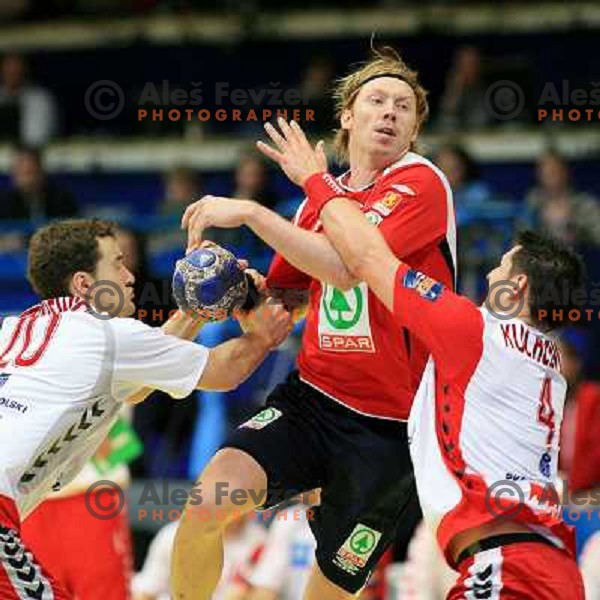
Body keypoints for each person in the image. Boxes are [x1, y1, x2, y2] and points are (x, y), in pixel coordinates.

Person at [174, 46, 456, 599]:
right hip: (313, 399)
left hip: (390, 427)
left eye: (404, 107)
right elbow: (289, 301)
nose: (390, 113)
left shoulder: (421, 184)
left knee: (325, 592)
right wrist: (239, 293)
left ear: (416, 128)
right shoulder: (314, 204)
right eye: (377, 100)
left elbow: (350, 269)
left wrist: (256, 210)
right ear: (348, 116)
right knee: (206, 505)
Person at [293, 177, 585, 597]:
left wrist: (314, 181)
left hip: (508, 567)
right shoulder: (550, 362)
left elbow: (368, 256)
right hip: (550, 567)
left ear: (516, 288)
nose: (489, 272)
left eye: (500, 265)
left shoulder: (476, 332)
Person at [0, 218, 292, 599]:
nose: (129, 275)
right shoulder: (104, 334)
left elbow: (135, 384)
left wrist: (194, 310)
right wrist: (264, 335)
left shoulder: (16, 327)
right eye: (117, 263)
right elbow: (226, 371)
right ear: (85, 284)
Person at [525, 151, 600, 247]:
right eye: (545, 172)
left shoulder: (585, 205)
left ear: (565, 171)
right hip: (542, 259)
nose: (550, 175)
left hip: (580, 258)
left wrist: (577, 230)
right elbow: (520, 239)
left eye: (554, 170)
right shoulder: (532, 203)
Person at [0, 53, 58, 147]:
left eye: (16, 69)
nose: (12, 74)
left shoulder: (40, 99)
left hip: (30, 155)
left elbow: (38, 137)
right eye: (8, 69)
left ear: (24, 70)